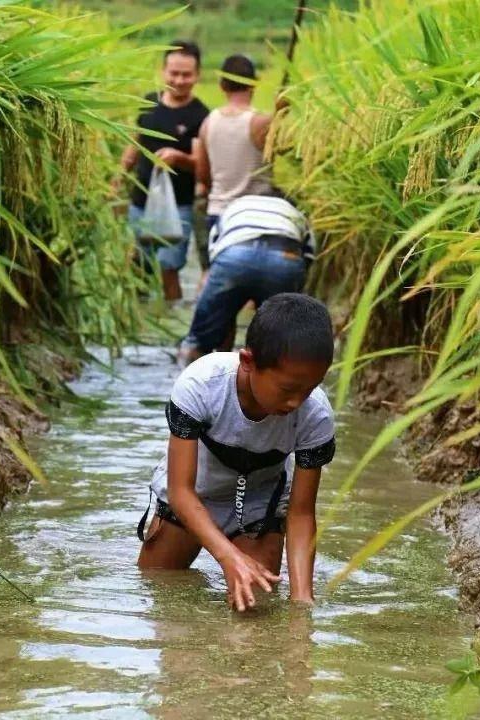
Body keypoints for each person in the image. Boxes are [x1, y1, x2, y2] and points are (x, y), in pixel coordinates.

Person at [136, 293, 336, 612]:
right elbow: (180, 491)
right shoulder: (201, 385)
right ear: (248, 361)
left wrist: (302, 602)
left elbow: (300, 514)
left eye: (310, 389)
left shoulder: (316, 416)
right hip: (193, 497)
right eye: (287, 389)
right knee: (160, 590)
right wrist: (229, 557)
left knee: (257, 604)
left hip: (260, 505)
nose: (298, 402)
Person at [119, 41, 210, 302]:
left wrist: (180, 158)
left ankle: (171, 320)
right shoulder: (149, 103)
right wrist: (117, 180)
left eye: (186, 75)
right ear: (164, 71)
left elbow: (203, 168)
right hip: (141, 200)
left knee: (168, 269)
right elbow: (134, 145)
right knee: (137, 267)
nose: (179, 80)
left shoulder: (201, 116)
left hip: (178, 206)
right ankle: (140, 320)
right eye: (174, 73)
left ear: (198, 75)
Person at [178, 193, 316, 365]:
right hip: (283, 258)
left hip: (235, 255)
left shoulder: (234, 207)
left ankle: (187, 381)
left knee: (198, 340)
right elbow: (307, 259)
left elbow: (215, 254)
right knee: (278, 344)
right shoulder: (295, 213)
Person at [195, 54, 274, 236]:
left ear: (222, 85)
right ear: (254, 84)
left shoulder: (208, 123)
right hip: (257, 215)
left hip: (219, 213)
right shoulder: (261, 122)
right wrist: (280, 113)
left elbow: (203, 175)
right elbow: (290, 151)